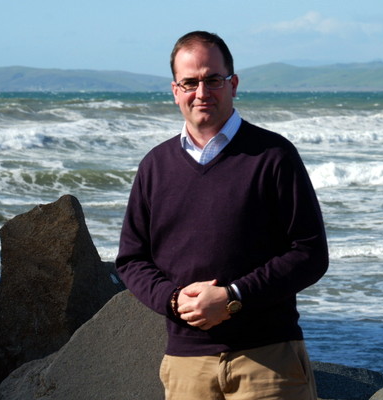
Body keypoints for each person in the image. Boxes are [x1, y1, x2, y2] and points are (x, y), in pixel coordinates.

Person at [115, 30, 329, 400]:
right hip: (186, 365)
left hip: (267, 361)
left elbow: (310, 253)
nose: (202, 92)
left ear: (233, 84)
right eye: (190, 82)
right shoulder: (155, 166)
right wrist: (172, 299)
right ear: (175, 90)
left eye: (213, 79)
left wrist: (234, 295)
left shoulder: (273, 156)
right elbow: (132, 260)